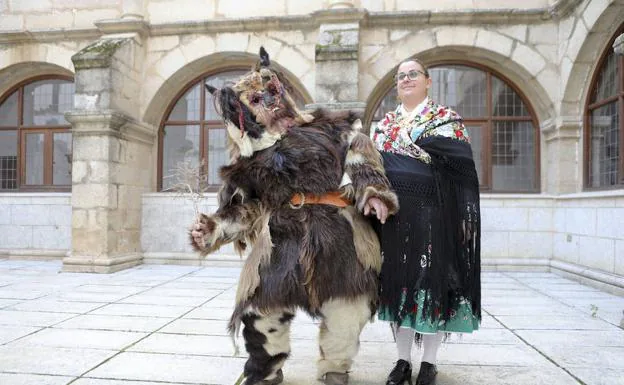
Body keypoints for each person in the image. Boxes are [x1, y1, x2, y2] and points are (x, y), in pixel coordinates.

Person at [370, 58, 481, 385]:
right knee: (399, 290)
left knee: (433, 287)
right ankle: (403, 360)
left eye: (412, 74)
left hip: (437, 217)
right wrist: (374, 196)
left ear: (427, 81)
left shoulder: (447, 120)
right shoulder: (384, 125)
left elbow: (462, 174)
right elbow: (373, 171)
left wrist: (464, 221)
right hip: (395, 221)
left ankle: (429, 363)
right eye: (400, 75)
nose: (406, 79)